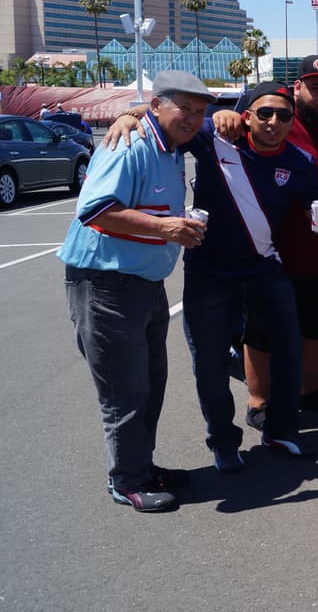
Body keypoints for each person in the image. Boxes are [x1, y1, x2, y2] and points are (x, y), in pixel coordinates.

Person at [58, 70, 211, 512]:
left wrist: (136, 110)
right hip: (106, 284)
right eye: (185, 108)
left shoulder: (168, 145)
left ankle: (141, 466)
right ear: (160, 105)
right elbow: (98, 210)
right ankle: (126, 479)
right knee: (124, 391)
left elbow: (158, 109)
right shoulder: (132, 144)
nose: (193, 118)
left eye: (200, 112)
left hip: (144, 283)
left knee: (150, 384)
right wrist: (166, 227)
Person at [182, 82, 318, 469]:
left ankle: (281, 431)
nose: (274, 122)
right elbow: (167, 120)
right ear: (247, 116)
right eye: (265, 113)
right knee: (210, 361)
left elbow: (313, 207)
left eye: (284, 115)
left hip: (264, 268)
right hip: (209, 271)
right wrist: (129, 117)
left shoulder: (299, 161)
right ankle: (222, 441)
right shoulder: (215, 138)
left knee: (288, 349)